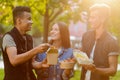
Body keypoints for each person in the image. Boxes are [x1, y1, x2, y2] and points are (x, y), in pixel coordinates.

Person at [1, 6, 49, 80]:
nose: (32, 22)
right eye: (29, 19)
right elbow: (14, 60)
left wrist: (41, 64)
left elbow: (31, 63)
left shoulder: (29, 38)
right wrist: (36, 50)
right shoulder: (8, 37)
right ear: (19, 21)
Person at [80, 3, 119, 80]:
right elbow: (81, 55)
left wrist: (95, 70)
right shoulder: (86, 36)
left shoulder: (111, 41)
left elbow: (113, 70)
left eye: (93, 17)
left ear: (102, 19)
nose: (89, 20)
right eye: (90, 17)